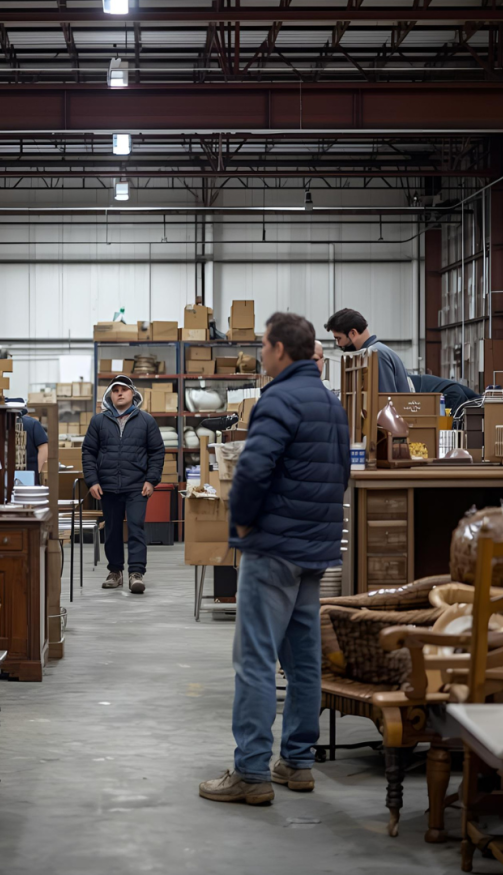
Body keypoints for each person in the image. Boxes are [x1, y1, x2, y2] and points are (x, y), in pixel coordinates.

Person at [199, 312, 350, 805]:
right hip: (314, 550)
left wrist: (243, 523)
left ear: (280, 349)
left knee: (257, 658)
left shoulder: (278, 399)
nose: (259, 354)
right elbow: (341, 474)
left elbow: (253, 469)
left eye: (263, 346)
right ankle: (298, 763)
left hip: (274, 547)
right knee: (303, 661)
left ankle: (250, 771)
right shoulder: (330, 403)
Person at [82, 375, 165, 594]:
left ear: (133, 393)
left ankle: (136, 573)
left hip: (137, 485)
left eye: (124, 389)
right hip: (108, 485)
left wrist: (151, 480)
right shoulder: (98, 421)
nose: (120, 393)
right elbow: (88, 452)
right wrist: (92, 481)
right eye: (115, 390)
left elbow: (157, 452)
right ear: (110, 395)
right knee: (112, 529)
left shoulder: (146, 421)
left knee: (136, 527)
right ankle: (115, 571)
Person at [324, 308, 410, 393]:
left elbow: (384, 398)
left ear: (353, 333)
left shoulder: (376, 354)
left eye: (339, 338)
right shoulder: (374, 352)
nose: (338, 344)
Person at [408, 373, 480, 416]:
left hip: (451, 395)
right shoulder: (417, 379)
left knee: (449, 427)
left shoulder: (409, 385)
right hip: (452, 390)